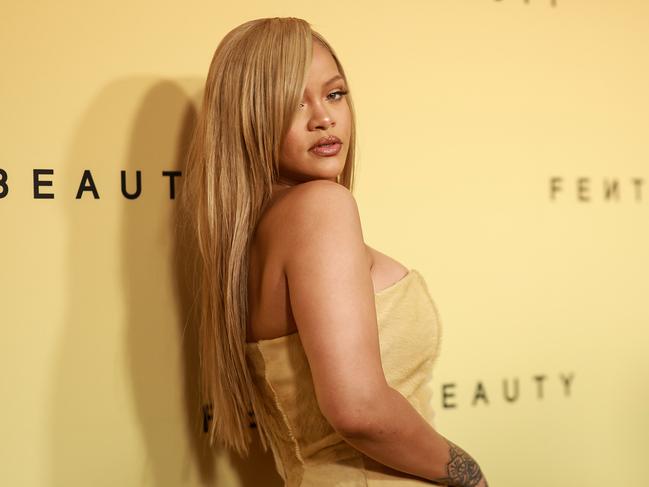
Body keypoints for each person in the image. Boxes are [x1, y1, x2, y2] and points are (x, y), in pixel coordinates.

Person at [178, 16, 489, 487]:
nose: (323, 117)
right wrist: (468, 472)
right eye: (290, 102)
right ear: (248, 118)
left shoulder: (254, 234)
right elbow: (358, 408)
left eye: (334, 93)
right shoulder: (321, 208)